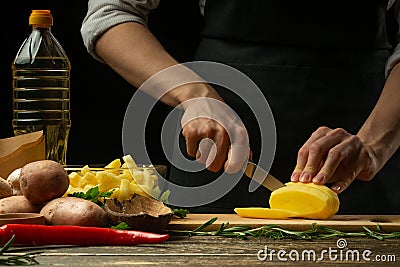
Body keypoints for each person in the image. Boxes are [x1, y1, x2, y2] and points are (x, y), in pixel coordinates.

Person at [81, 0, 400, 214]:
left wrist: (373, 146)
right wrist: (194, 95)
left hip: (366, 131)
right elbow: (110, 14)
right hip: (216, 148)